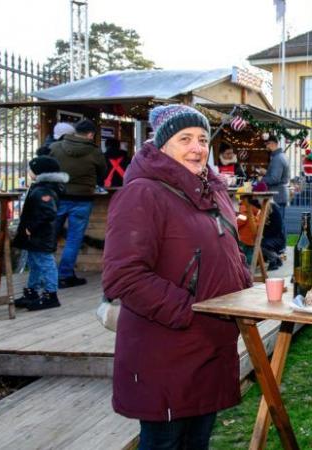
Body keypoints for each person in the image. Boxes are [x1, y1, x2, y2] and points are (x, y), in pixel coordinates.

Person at [102, 104, 252, 450]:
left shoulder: (212, 191)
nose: (197, 148)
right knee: (166, 442)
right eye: (184, 138)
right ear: (161, 147)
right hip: (167, 350)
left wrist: (243, 294)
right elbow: (123, 276)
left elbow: (228, 252)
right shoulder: (143, 193)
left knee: (197, 442)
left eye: (202, 138)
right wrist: (190, 312)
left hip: (210, 346)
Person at [49, 119, 106, 288]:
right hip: (83, 199)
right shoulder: (94, 151)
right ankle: (65, 275)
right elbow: (102, 171)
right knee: (74, 239)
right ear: (90, 134)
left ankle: (47, 274)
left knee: (49, 236)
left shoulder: (55, 147)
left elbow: (44, 167)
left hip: (58, 197)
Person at [12, 156, 68, 311]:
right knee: (34, 264)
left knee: (45, 263)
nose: (28, 171)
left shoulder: (45, 190)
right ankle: (32, 292)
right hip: (34, 235)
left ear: (40, 171)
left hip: (40, 235)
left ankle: (51, 294)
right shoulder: (41, 186)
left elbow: (47, 213)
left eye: (31, 168)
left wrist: (32, 227)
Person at [257, 135, 290, 235]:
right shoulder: (281, 156)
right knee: (280, 223)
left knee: (278, 224)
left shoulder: (277, 158)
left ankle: (280, 248)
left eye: (266, 144)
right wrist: (266, 172)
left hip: (277, 195)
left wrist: (261, 179)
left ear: (272, 143)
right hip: (281, 194)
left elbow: (275, 179)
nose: (266, 147)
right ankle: (281, 247)